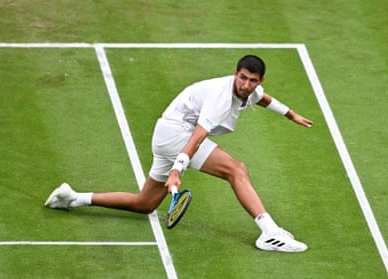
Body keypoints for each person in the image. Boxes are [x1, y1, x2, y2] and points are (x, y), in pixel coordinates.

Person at [44, 54, 313, 253]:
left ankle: (72, 198)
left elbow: (265, 99)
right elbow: (197, 139)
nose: (245, 85)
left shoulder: (252, 91)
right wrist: (176, 170)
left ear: (259, 81)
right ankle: (269, 232)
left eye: (252, 80)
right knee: (236, 169)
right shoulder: (220, 98)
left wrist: (291, 115)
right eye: (242, 78)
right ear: (235, 73)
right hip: (177, 134)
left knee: (145, 203)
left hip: (165, 135)